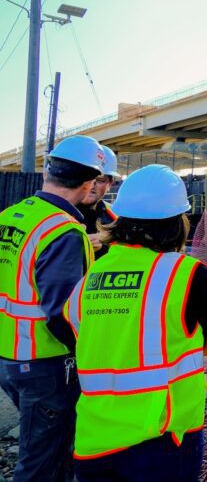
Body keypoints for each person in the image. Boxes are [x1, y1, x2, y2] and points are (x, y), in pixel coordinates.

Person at [63, 164, 207, 482]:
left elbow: (79, 333)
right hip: (164, 436)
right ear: (179, 222)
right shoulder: (187, 273)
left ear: (120, 219)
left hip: (94, 437)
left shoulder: (93, 273)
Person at [0, 135, 104, 482]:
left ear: (48, 171)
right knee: (40, 461)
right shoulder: (63, 231)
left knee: (48, 449)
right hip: (43, 363)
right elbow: (62, 313)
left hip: (9, 356)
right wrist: (88, 353)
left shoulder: (13, 215)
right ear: (89, 183)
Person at [78, 145, 118, 258]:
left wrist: (103, 248)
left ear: (110, 184)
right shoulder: (56, 214)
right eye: (87, 178)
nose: (91, 185)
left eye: (99, 180)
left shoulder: (115, 218)